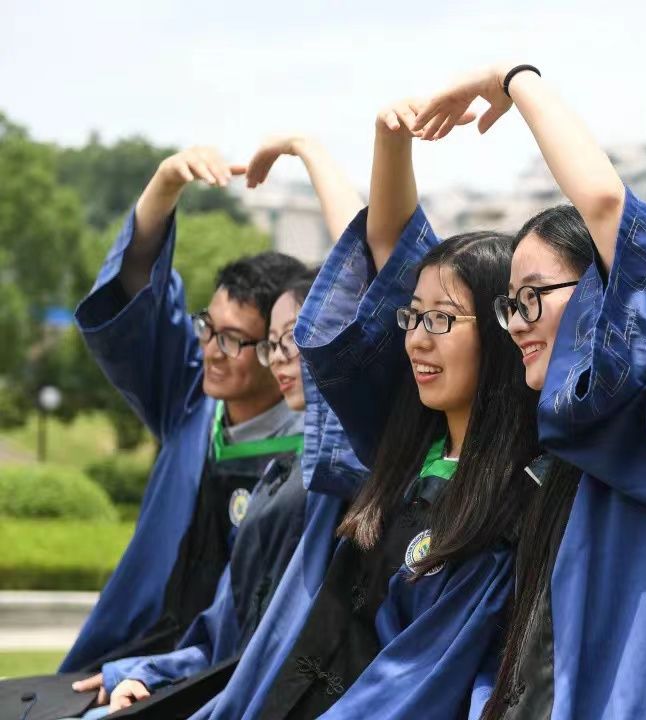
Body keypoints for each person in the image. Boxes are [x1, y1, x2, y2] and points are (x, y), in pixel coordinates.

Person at [416, 63, 646, 718]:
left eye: (535, 296)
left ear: (603, 294)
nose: (518, 323)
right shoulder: (567, 452)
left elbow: (608, 206)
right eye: (510, 304)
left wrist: (514, 78)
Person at [203, 100, 537, 720]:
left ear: (504, 331)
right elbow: (383, 250)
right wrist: (390, 142)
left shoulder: (524, 493)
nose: (417, 339)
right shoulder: (400, 445)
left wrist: (516, 80)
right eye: (415, 316)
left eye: (442, 319)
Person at [63, 146, 308, 679]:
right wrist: (164, 186)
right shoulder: (192, 403)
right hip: (136, 651)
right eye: (207, 327)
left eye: (233, 339)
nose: (211, 351)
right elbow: (137, 301)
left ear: (277, 348)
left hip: (234, 671)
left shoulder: (310, 458)